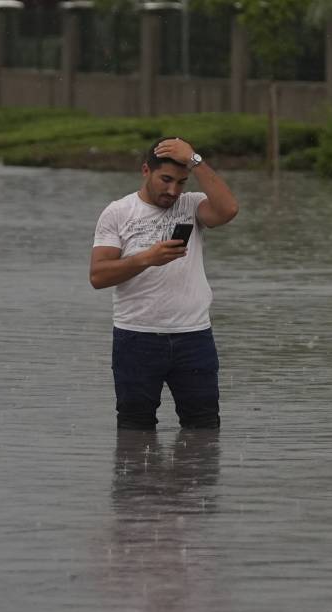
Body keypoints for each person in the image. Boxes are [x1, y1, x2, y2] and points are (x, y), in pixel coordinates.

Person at [90, 136, 239, 429]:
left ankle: (194, 476)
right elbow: (98, 276)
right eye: (166, 179)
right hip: (136, 337)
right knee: (134, 429)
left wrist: (195, 159)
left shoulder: (192, 205)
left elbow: (229, 210)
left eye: (181, 182)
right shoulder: (118, 212)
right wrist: (146, 259)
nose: (173, 190)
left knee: (204, 428)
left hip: (194, 336)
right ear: (146, 171)